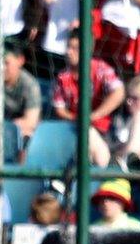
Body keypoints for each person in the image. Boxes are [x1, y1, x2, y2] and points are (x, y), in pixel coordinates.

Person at [53, 29, 126, 168]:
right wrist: (77, 119)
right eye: (68, 47)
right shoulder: (63, 77)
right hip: (73, 128)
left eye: (75, 48)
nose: (69, 52)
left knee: (89, 136)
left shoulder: (100, 69)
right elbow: (59, 109)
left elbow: (119, 92)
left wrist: (93, 116)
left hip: (104, 130)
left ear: (88, 49)